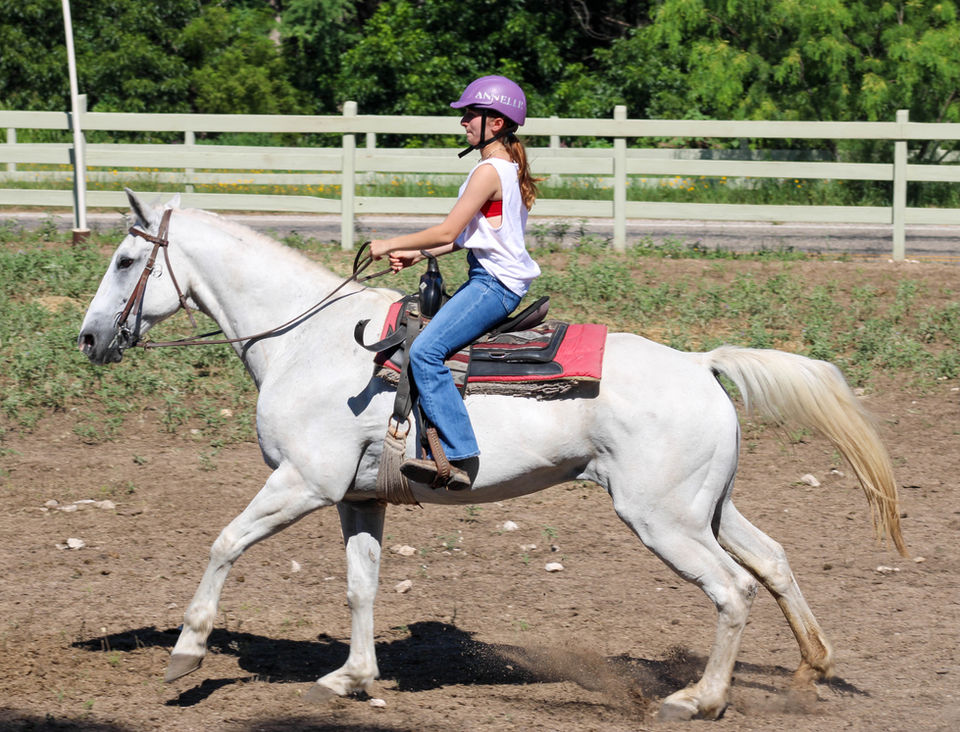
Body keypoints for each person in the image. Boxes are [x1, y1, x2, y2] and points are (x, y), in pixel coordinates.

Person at [369, 75, 541, 490]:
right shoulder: (505, 167)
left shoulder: (489, 170)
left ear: (495, 123)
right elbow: (471, 235)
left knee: (426, 351)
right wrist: (416, 253)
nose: (463, 121)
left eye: (470, 114)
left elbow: (447, 232)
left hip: (494, 284)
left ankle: (460, 454)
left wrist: (390, 242)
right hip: (492, 276)